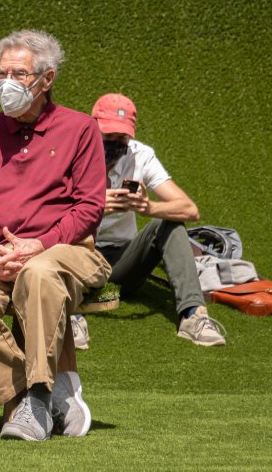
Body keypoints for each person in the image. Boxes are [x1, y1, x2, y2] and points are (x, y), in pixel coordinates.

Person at [0, 30, 112, 441]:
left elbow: (90, 207)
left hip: (65, 250)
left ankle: (35, 401)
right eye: (1, 73)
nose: (7, 83)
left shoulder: (81, 128)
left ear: (46, 79)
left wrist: (40, 245)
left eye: (19, 73)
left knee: (38, 274)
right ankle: (41, 390)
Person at [73, 93, 226, 349]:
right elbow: (49, 216)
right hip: (78, 256)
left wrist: (150, 207)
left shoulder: (140, 155)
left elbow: (190, 209)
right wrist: (95, 208)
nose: (115, 144)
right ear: (92, 127)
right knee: (57, 246)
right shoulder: (70, 153)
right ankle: (70, 317)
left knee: (169, 222)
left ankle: (193, 316)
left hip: (122, 264)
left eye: (121, 138)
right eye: (108, 136)